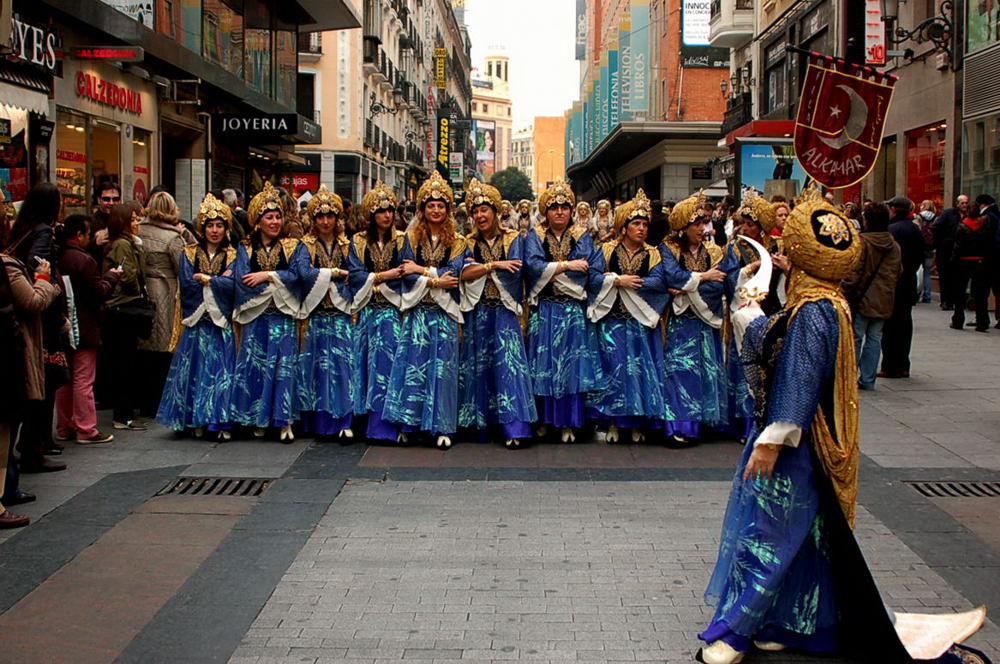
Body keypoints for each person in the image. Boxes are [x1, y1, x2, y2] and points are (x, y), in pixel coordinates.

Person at [698, 185, 989, 664]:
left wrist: (773, 440)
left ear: (806, 259)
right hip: (804, 439)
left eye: (790, 252)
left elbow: (799, 376)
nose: (784, 258)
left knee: (768, 534)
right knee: (806, 537)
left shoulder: (814, 309)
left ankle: (738, 631)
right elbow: (780, 349)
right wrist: (755, 316)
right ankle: (786, 622)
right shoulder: (821, 301)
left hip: (795, 445)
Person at [381, 171, 469, 449]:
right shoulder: (411, 240)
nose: (435, 210)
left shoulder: (458, 241)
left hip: (444, 314)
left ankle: (442, 426)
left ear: (448, 210)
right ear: (422, 209)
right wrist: (433, 279)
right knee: (413, 367)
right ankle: (409, 423)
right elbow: (404, 274)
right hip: (419, 312)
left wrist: (422, 270)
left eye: (440, 205)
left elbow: (453, 273)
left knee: (442, 370)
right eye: (430, 205)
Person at [231, 182, 321, 442]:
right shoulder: (245, 248)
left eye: (278, 216)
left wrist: (268, 275)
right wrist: (273, 282)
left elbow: (299, 275)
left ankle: (284, 421)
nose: (274, 221)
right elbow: (241, 278)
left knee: (284, 369)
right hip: (256, 317)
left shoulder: (294, 246)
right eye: (269, 217)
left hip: (283, 318)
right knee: (256, 368)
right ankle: (257, 418)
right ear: (257, 221)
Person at [585, 189, 669, 444]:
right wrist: (617, 280)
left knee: (640, 373)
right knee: (614, 371)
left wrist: (639, 283)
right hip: (613, 322)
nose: (642, 229)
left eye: (645, 224)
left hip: (640, 324)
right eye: (636, 224)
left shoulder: (652, 253)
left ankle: (636, 423)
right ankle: (612, 421)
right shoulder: (607, 250)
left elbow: (660, 280)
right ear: (624, 226)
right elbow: (593, 277)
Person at [524, 180, 604, 443]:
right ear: (545, 210)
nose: (559, 211)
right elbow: (533, 266)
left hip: (572, 311)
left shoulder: (582, 235)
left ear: (571, 210)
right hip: (545, 310)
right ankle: (546, 420)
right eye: (554, 207)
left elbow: (588, 270)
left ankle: (569, 422)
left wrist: (550, 271)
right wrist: (566, 265)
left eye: (564, 206)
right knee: (543, 365)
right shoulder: (536, 235)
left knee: (571, 367)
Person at [457, 179, 535, 449]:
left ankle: (514, 427)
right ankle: (480, 426)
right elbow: (462, 273)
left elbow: (514, 270)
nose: (480, 215)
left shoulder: (514, 238)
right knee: (478, 367)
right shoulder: (466, 242)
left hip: (504, 311)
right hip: (478, 312)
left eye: (484, 210)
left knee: (508, 366)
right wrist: (493, 265)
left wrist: (482, 268)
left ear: (496, 211)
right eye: (475, 211)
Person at [155, 194, 238, 439]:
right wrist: (218, 281)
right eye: (210, 225)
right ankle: (193, 420)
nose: (214, 230)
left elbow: (233, 285)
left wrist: (208, 280)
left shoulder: (234, 254)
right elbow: (187, 285)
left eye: (219, 225)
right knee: (195, 371)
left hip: (221, 323)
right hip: (197, 323)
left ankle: (217, 420)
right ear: (202, 227)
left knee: (220, 373)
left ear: (226, 228)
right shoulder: (189, 253)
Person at [659, 193, 732, 447]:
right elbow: (669, 277)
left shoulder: (714, 251)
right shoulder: (667, 249)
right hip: (679, 322)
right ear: (683, 228)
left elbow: (720, 282)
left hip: (705, 321)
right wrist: (703, 277)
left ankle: (705, 423)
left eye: (705, 223)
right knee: (679, 371)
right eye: (696, 224)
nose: (702, 229)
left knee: (707, 371)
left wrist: (688, 284)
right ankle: (679, 425)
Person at [5, 183, 70, 469]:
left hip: (29, 315)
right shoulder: (44, 231)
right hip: (41, 317)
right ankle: (34, 446)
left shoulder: (23, 228)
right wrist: (47, 282)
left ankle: (34, 443)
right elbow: (38, 265)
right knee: (43, 383)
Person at [346, 182, 407, 442]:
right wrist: (384, 276)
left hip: (393, 313)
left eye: (390, 210)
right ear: (371, 214)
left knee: (391, 367)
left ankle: (389, 425)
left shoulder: (403, 240)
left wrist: (383, 281)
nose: (387, 215)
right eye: (381, 211)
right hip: (367, 312)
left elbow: (406, 272)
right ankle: (363, 423)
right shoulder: (358, 242)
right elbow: (355, 274)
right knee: (364, 365)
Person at [1, 249, 59, 522]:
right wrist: (43, 279)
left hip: (15, 344)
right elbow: (32, 301)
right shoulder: (8, 267)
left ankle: (7, 489)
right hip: (13, 347)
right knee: (6, 430)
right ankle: (4, 494)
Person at [297, 185, 358, 440]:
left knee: (344, 369)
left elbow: (356, 273)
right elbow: (302, 273)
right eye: (320, 217)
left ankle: (344, 420)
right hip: (316, 315)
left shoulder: (347, 245)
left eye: (330, 216)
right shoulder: (305, 245)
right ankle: (316, 422)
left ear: (337, 219)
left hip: (342, 315)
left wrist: (341, 275)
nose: (325, 221)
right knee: (314, 369)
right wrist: (334, 273)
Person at [55, 215, 122, 444]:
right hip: (83, 324)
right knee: (83, 378)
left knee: (65, 378)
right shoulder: (84, 261)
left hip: (62, 323)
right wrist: (112, 277)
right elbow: (98, 291)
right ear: (80, 235)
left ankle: (65, 426)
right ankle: (86, 429)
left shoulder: (58, 255)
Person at [723, 192, 776, 441]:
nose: (745, 228)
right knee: (746, 366)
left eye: (751, 224)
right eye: (743, 223)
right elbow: (730, 278)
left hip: (772, 311)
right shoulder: (735, 248)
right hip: (745, 312)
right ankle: (744, 423)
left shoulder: (777, 247)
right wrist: (748, 270)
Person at [137, 191, 192, 415]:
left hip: (142, 289)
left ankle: (142, 399)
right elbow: (185, 267)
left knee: (144, 346)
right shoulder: (173, 238)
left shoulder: (138, 229)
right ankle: (157, 401)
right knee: (163, 345)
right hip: (165, 290)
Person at [842, 203, 902, 389]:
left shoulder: (862, 243)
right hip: (884, 298)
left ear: (867, 221)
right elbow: (898, 271)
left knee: (856, 337)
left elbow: (855, 273)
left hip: (862, 298)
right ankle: (868, 379)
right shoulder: (894, 245)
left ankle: (850, 377)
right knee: (875, 338)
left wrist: (844, 289)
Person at [102, 203, 149, 430]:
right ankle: (122, 415)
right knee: (123, 363)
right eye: (132, 219)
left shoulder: (129, 243)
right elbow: (129, 276)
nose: (137, 223)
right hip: (121, 308)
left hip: (125, 307)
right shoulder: (122, 244)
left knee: (127, 361)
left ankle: (124, 413)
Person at [880, 196, 923, 378]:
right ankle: (904, 364)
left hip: (893, 283)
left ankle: (890, 365)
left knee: (890, 327)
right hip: (908, 282)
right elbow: (920, 255)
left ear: (894, 210)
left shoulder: (891, 230)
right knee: (905, 324)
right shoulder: (915, 229)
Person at [950, 196, 998, 333]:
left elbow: (957, 246)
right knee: (981, 294)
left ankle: (958, 320)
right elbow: (989, 242)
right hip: (981, 261)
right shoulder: (986, 224)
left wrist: (953, 260)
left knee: (960, 292)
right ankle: (982, 322)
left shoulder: (962, 225)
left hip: (963, 261)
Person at [933, 194, 970, 311]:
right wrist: (943, 242)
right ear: (957, 203)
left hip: (961, 252)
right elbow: (936, 228)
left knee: (958, 278)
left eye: (966, 203)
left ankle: (956, 300)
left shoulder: (969, 215)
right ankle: (946, 301)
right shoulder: (948, 214)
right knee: (945, 277)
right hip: (946, 251)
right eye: (962, 203)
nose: (964, 205)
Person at [916, 200, 937, 304]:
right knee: (927, 273)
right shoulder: (936, 218)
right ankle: (927, 295)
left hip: (920, 247)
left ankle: (917, 293)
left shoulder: (919, 217)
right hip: (931, 248)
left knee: (918, 271)